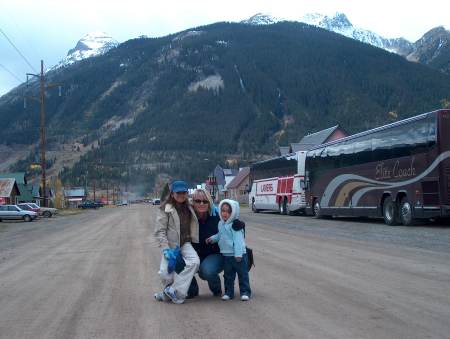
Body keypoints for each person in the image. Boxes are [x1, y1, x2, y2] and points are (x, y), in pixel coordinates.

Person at [154, 180, 200, 304]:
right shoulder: (165, 209)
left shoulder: (190, 206)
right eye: (178, 192)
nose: (181, 195)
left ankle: (172, 291)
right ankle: (168, 293)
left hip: (185, 243)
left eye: (184, 192)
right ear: (172, 193)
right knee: (165, 274)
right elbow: (160, 231)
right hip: (170, 246)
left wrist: (214, 210)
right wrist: (166, 250)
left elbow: (204, 207)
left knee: (195, 262)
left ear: (186, 193)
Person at [206, 199, 251, 301]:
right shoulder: (220, 224)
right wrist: (212, 239)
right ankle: (229, 292)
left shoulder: (236, 225)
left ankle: (245, 292)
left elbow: (239, 240)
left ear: (233, 212)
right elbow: (220, 235)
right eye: (223, 211)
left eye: (228, 211)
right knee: (228, 276)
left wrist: (238, 254)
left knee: (242, 274)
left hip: (239, 255)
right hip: (226, 255)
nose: (225, 214)